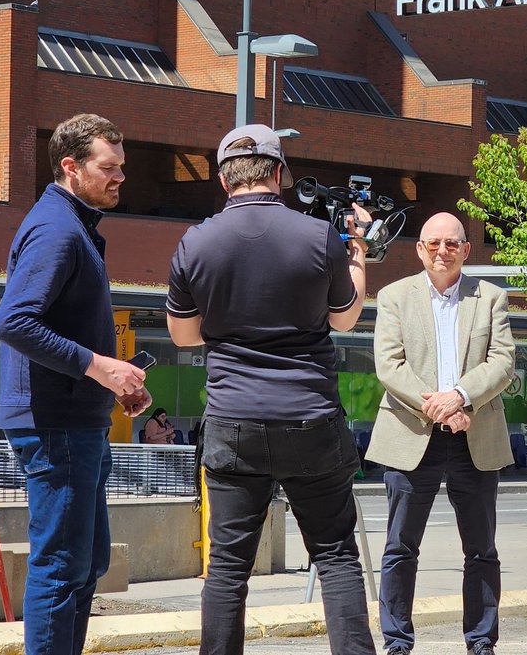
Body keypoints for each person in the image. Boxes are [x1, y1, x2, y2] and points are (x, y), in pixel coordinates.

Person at [165, 124, 374, 655]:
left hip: (234, 419)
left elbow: (185, 336)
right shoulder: (316, 236)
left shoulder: (196, 242)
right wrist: (358, 256)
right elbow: (346, 319)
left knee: (228, 569)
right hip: (309, 416)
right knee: (335, 557)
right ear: (279, 174)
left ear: (221, 178)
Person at [0, 113, 152, 655]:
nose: (119, 178)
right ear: (70, 166)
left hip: (75, 421)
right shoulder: (57, 228)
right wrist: (100, 366)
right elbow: (13, 321)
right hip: (54, 425)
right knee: (63, 566)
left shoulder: (74, 225)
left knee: (87, 563)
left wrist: (116, 381)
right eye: (109, 168)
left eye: (121, 168)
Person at [365, 212, 515, 655]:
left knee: (482, 550)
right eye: (433, 243)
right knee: (399, 549)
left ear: (467, 250)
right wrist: (441, 407)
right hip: (412, 436)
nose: (442, 251)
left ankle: (481, 642)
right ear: (419, 249)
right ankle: (397, 642)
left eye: (452, 243)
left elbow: (503, 363)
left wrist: (462, 397)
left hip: (475, 436)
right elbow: (390, 365)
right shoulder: (394, 297)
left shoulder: (490, 297)